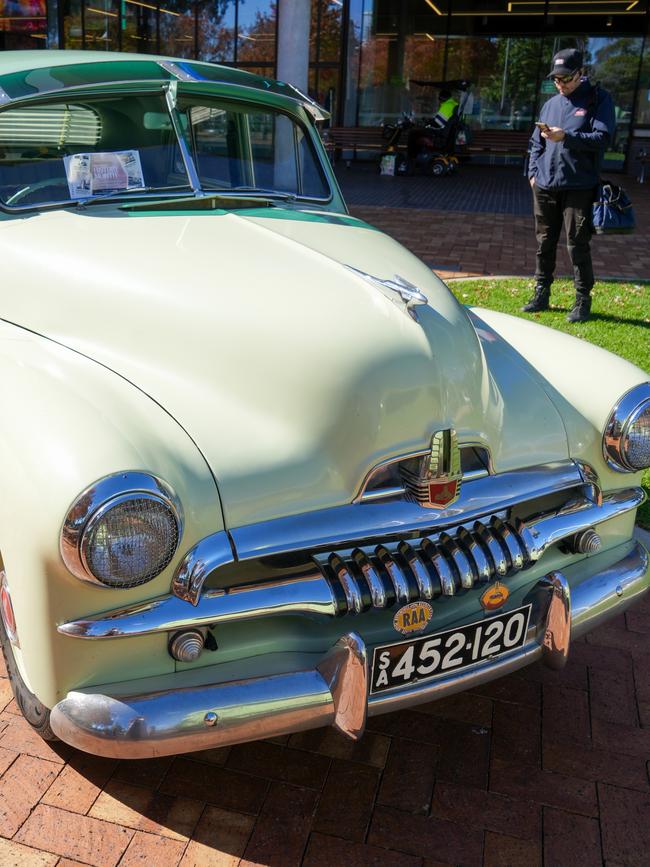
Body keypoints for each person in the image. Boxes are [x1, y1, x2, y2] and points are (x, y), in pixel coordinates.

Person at [523, 48, 616, 322]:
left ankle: (582, 299)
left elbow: (602, 138)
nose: (560, 84)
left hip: (579, 185)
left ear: (581, 73)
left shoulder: (599, 99)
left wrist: (567, 136)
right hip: (545, 184)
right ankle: (541, 292)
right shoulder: (551, 104)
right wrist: (532, 174)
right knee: (544, 242)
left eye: (565, 78)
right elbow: (535, 143)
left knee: (577, 244)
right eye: (556, 79)